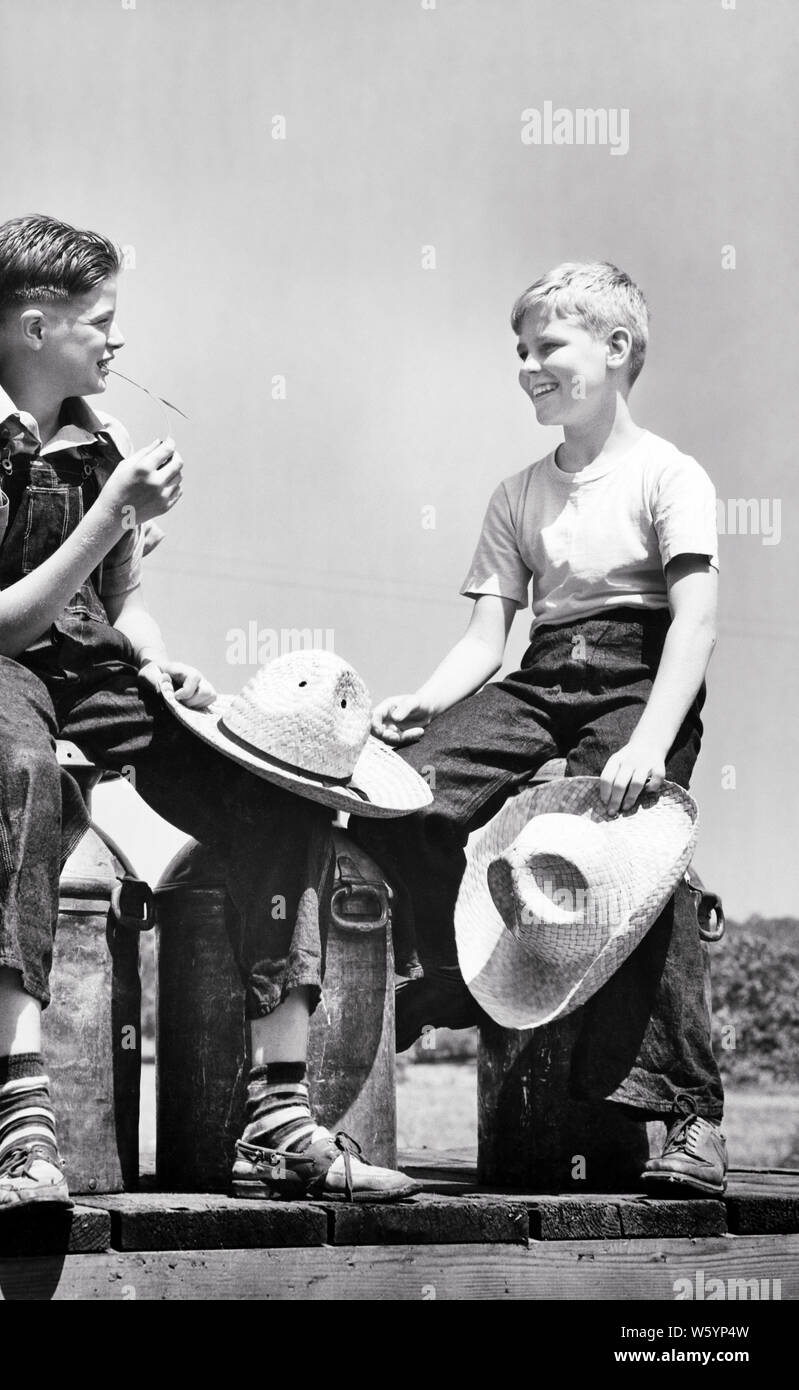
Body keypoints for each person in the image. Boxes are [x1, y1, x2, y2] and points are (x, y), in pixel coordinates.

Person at [0, 213, 420, 1210]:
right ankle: (22, 1124)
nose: (117, 342)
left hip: (89, 669)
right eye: (102, 321)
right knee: (23, 769)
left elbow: (118, 608)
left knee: (284, 787)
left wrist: (161, 665)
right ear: (36, 328)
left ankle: (278, 1121)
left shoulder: (105, 441)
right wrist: (111, 507)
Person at [350, 261, 728, 1195]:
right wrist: (427, 704)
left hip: (640, 678)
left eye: (546, 345)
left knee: (634, 857)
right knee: (401, 795)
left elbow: (695, 621)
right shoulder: (516, 492)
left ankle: (687, 1118)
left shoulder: (668, 474)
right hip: (543, 670)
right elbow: (489, 633)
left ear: (615, 348)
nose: (527, 365)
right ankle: (446, 974)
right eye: (519, 350)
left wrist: (648, 744)